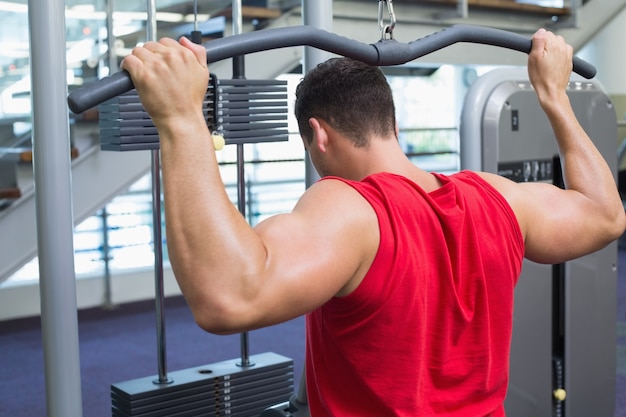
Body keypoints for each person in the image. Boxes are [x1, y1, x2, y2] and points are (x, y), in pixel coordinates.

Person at [121, 28, 625, 416]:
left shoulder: (350, 208)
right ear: (393, 123)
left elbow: (227, 297)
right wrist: (553, 96)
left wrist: (180, 120)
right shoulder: (495, 198)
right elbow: (606, 214)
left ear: (317, 135)